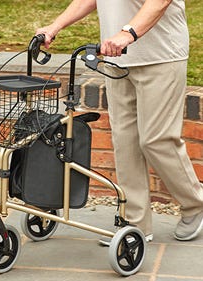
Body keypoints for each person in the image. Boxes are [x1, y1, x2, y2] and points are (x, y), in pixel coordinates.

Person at [36, 0, 203, 243]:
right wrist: (55, 26)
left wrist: (128, 33)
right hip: (117, 61)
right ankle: (135, 224)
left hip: (160, 56)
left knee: (157, 140)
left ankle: (195, 203)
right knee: (125, 143)